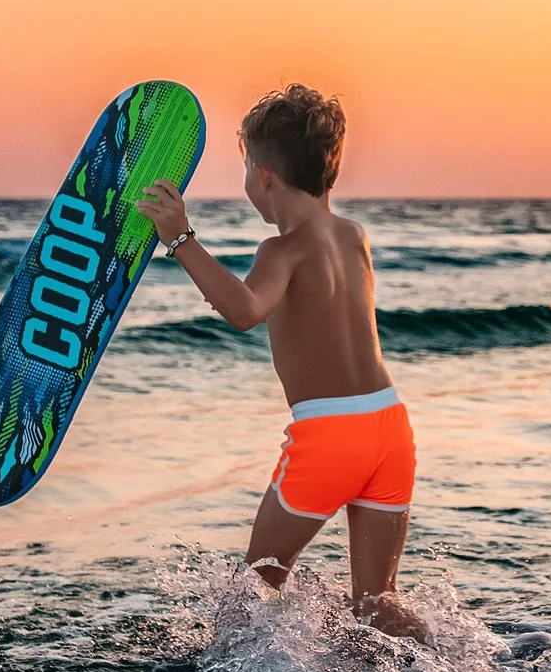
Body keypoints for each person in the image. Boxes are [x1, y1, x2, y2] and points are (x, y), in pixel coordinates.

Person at [136, 85, 427, 640]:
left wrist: (180, 239)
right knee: (377, 603)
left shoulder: (282, 249)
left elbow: (246, 311)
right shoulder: (353, 236)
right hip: (390, 427)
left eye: (246, 167)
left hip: (330, 436)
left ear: (263, 176)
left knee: (255, 590)